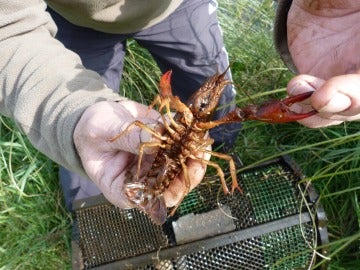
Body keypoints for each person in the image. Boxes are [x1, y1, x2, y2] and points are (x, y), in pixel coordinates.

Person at [0, 0, 359, 213]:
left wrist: (322, 8)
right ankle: (90, 212)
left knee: (224, 118)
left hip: (178, 8)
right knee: (89, 157)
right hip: (72, 21)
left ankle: (221, 149)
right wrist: (74, 116)